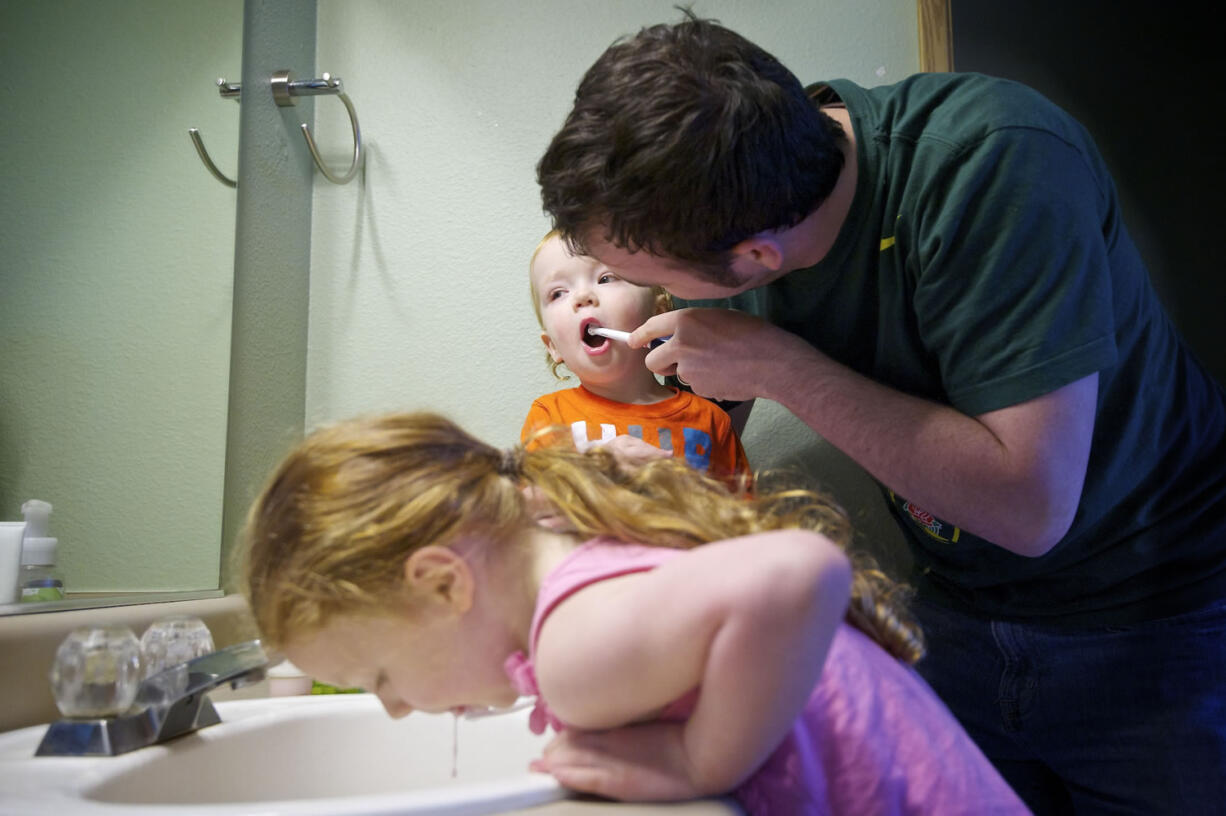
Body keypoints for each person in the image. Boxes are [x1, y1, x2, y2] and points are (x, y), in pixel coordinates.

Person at [535, 12, 1226, 814]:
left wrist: (782, 368)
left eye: (632, 274)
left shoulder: (992, 166)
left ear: (758, 262)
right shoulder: (728, 192)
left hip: (1152, 622)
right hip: (954, 610)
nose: (642, 298)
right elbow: (693, 432)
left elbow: (1032, 506)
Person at [240, 411, 1030, 814]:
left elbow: (801, 571)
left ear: (444, 583)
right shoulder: (565, 544)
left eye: (379, 675)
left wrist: (700, 762)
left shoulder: (575, 651)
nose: (396, 707)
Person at [524, 230, 750, 484]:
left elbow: (745, 518)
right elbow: (530, 514)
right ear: (552, 346)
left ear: (659, 314)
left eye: (606, 278)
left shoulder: (711, 421)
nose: (581, 298)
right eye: (557, 293)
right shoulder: (549, 419)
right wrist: (594, 471)